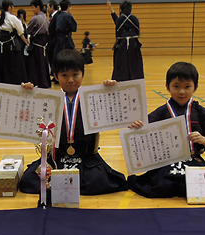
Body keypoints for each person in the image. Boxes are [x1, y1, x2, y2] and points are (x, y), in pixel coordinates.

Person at [19, 49, 128, 196]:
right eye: (64, 75)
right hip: (57, 157)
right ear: (56, 76)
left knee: (99, 180)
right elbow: (25, 115)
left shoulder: (94, 99)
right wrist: (28, 93)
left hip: (86, 157)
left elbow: (119, 112)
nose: (70, 79)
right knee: (28, 180)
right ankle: (67, 185)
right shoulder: (48, 101)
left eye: (75, 74)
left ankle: (60, 186)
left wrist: (110, 91)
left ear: (82, 74)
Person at [127, 61, 205, 198]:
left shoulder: (202, 113)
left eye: (187, 87)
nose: (181, 91)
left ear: (195, 87)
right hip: (167, 161)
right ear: (167, 87)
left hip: (193, 159)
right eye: (176, 86)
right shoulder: (162, 112)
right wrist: (138, 126)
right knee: (163, 185)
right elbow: (146, 131)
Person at [107, 0, 144, 81]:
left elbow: (117, 31)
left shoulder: (120, 20)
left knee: (121, 65)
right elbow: (138, 32)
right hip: (133, 45)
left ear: (121, 9)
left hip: (122, 46)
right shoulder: (135, 19)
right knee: (135, 65)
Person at [0, 0, 29, 85]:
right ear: (10, 7)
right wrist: (26, 43)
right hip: (10, 45)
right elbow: (21, 32)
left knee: (4, 65)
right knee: (14, 65)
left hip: (1, 45)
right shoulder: (12, 18)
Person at [25, 0, 50, 88]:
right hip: (44, 43)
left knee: (35, 64)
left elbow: (28, 30)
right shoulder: (46, 18)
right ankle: (44, 81)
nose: (32, 10)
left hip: (36, 43)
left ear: (37, 7)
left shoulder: (36, 19)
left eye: (33, 7)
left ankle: (36, 82)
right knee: (43, 63)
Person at [46, 0, 60, 84]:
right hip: (51, 43)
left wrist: (52, 43)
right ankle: (55, 77)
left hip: (55, 43)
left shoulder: (57, 16)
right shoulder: (52, 17)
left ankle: (57, 78)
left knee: (56, 61)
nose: (47, 9)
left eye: (48, 7)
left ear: (52, 7)